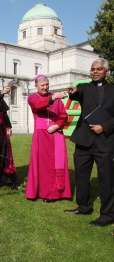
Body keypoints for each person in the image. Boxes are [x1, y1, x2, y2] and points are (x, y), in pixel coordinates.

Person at [64, 58, 114, 227]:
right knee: (81, 176)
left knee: (106, 179)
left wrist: (104, 127)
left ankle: (107, 215)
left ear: (106, 71)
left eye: (99, 69)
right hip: (84, 140)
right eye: (93, 69)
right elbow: (76, 94)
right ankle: (84, 206)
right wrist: (72, 92)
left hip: (105, 141)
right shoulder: (84, 88)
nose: (95, 71)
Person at [25, 74, 72, 202]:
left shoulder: (56, 99)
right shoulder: (32, 98)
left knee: (58, 163)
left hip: (56, 133)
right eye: (42, 85)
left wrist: (57, 125)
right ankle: (45, 192)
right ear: (36, 86)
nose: (45, 87)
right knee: (44, 165)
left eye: (47, 85)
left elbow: (64, 115)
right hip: (41, 136)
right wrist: (53, 97)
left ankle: (58, 192)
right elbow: (38, 106)